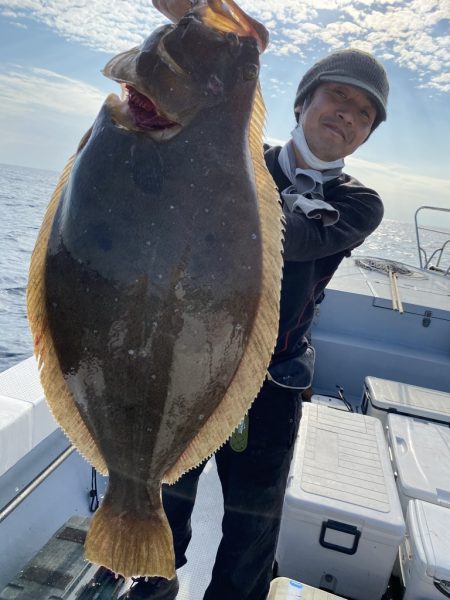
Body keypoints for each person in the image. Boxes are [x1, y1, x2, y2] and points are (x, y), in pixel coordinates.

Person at [121, 3, 389, 599]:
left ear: (368, 133)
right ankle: (151, 587)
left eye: (365, 112)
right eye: (337, 97)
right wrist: (198, 31)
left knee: (252, 524)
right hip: (190, 363)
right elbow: (165, 153)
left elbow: (285, 239)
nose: (348, 114)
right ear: (301, 103)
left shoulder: (360, 204)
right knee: (170, 498)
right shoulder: (241, 158)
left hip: (276, 381)